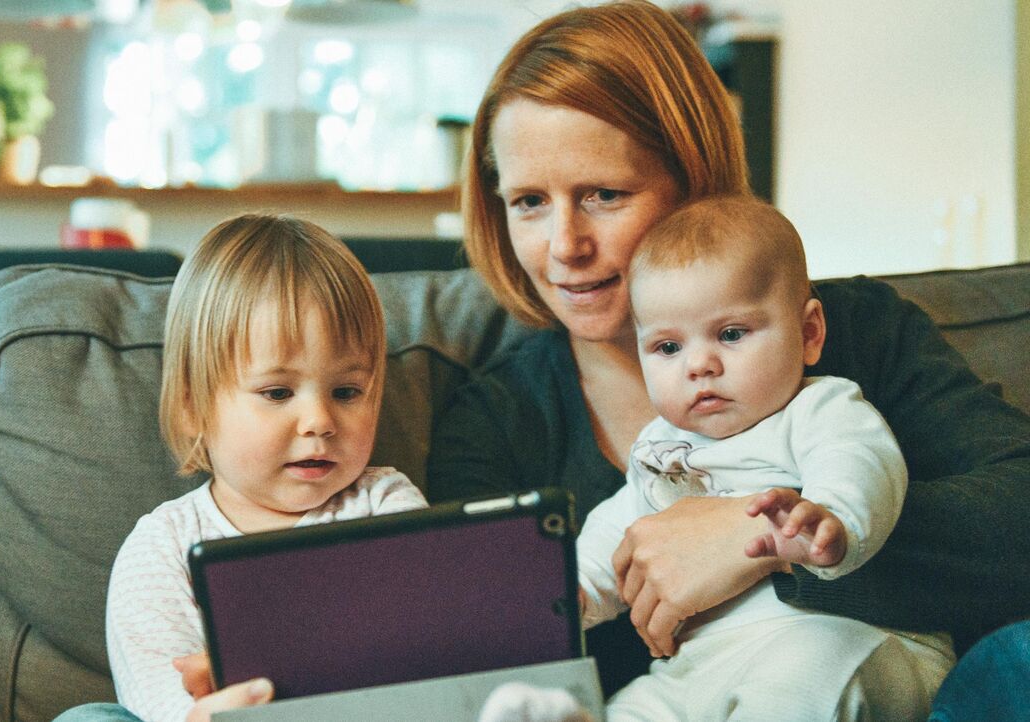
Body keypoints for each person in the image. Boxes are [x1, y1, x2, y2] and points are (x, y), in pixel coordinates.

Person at [426, 0, 1030, 710]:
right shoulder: (496, 422)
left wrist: (754, 539)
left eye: (604, 194)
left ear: (694, 178)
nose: (565, 246)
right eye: (529, 202)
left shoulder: (853, 333)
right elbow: (487, 636)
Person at [572, 194, 954, 719]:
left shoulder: (819, 407)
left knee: (800, 683)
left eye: (731, 334)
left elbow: (859, 462)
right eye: (667, 348)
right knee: (637, 705)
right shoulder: (658, 446)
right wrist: (573, 592)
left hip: (841, 638)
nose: (699, 365)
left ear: (808, 333)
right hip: (703, 662)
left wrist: (831, 519)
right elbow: (621, 528)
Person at [57, 213, 428, 722]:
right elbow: (161, 703)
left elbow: (421, 652)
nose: (319, 421)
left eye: (346, 392)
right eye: (277, 392)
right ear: (193, 407)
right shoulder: (162, 546)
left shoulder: (385, 505)